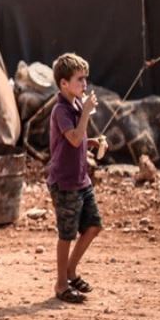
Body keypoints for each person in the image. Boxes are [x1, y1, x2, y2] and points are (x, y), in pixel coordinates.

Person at [47, 53, 105, 304]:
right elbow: (71, 137)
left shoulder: (78, 105)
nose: (84, 84)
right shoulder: (61, 109)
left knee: (94, 226)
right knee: (66, 234)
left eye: (85, 79)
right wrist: (87, 115)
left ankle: (71, 271)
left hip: (81, 179)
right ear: (64, 84)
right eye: (80, 79)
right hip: (65, 182)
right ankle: (61, 284)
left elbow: (78, 138)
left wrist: (92, 142)